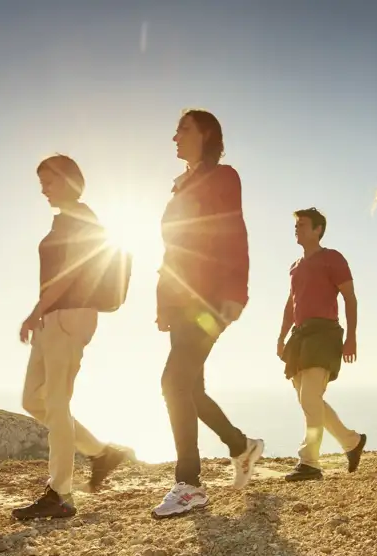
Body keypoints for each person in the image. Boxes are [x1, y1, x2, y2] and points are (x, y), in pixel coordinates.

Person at [153, 109, 264, 518]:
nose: (175, 137)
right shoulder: (180, 188)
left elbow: (234, 232)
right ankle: (241, 447)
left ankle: (189, 485)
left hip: (210, 301)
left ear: (206, 134)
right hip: (181, 302)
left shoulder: (223, 177)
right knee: (189, 388)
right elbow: (171, 252)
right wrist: (162, 301)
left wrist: (237, 292)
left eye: (182, 129)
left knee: (172, 381)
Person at [12, 155, 130, 521]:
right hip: (52, 317)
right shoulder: (62, 221)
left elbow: (68, 275)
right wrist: (41, 313)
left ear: (67, 180)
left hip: (69, 315)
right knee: (34, 399)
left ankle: (60, 494)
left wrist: (35, 310)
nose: (43, 189)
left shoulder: (81, 218)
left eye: (48, 181)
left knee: (58, 402)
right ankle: (100, 452)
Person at [277, 208, 367, 482]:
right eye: (296, 225)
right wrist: (281, 337)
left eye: (302, 224)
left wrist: (351, 337)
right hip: (300, 336)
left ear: (318, 230)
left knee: (309, 398)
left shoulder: (333, 258)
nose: (297, 228)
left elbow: (350, 298)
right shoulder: (295, 266)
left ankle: (310, 462)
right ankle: (352, 442)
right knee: (309, 400)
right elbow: (290, 305)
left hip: (325, 334)